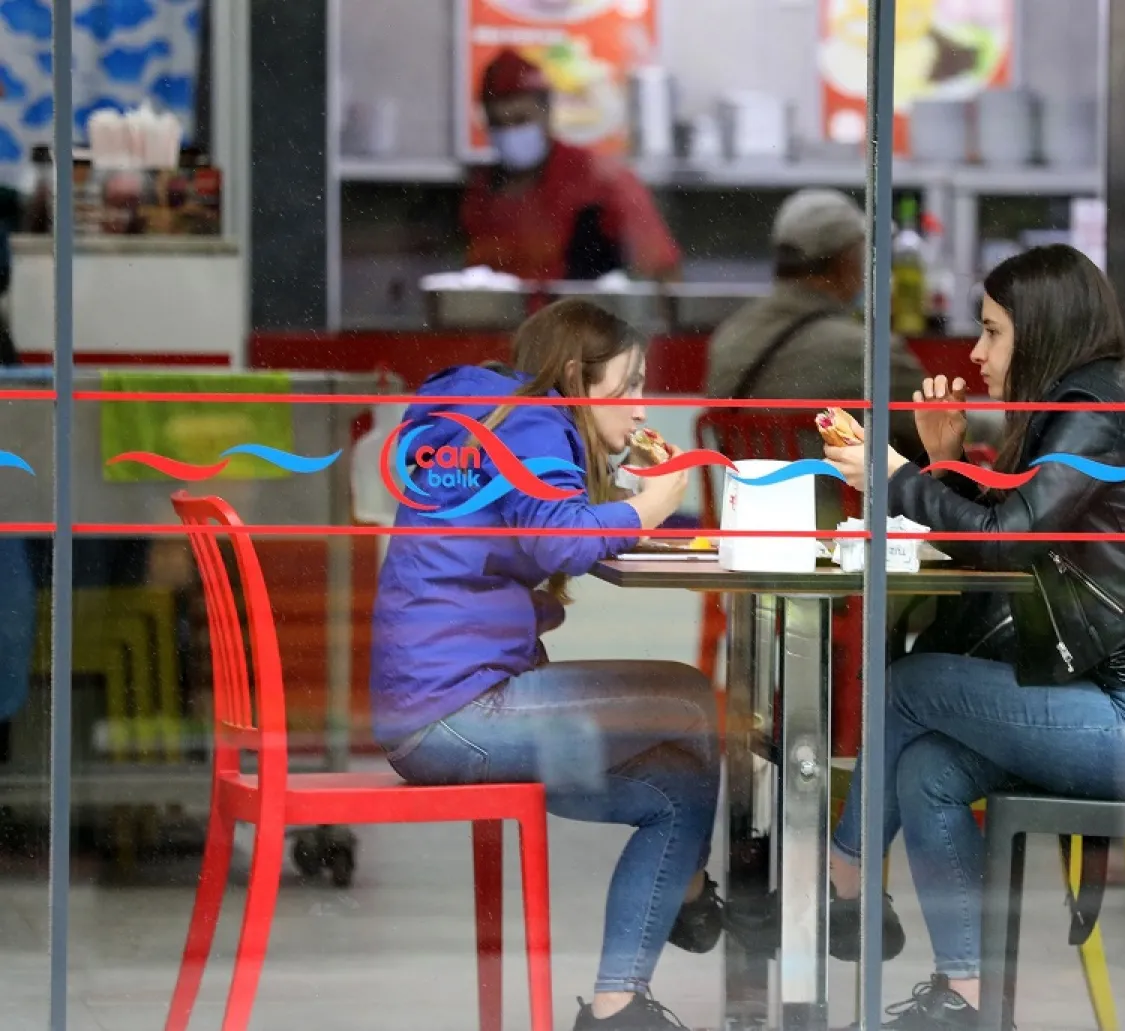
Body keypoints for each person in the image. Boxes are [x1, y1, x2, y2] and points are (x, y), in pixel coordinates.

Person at [820, 245, 1125, 1029]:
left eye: (992, 332)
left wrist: (895, 475)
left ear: (1040, 332)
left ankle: (845, 870)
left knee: (912, 685)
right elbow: (1014, 539)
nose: (976, 353)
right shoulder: (1076, 414)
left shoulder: (1092, 417)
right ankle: (967, 997)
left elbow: (1008, 540)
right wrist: (938, 467)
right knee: (929, 766)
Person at [371, 299, 720, 1031]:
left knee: (677, 786)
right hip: (457, 715)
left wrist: (645, 508)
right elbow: (563, 543)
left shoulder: (486, 418)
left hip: (439, 708)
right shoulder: (529, 421)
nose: (639, 407)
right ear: (573, 378)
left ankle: (618, 1006)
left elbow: (547, 525)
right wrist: (650, 506)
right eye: (627, 387)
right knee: (692, 698)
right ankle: (695, 890)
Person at [706, 188, 926, 479]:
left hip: (749, 518)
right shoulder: (866, 350)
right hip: (843, 520)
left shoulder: (728, 337)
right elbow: (942, 430)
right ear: (847, 260)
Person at [461, 49, 682, 282]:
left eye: (520, 120)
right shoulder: (482, 190)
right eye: (498, 124)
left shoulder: (600, 179)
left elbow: (662, 268)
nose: (509, 133)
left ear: (546, 112)